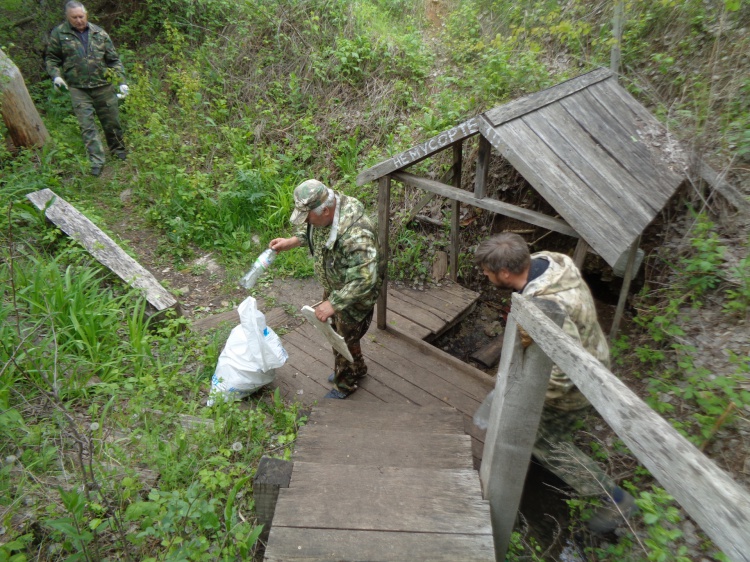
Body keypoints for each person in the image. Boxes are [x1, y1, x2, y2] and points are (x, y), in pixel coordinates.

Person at [474, 232, 636, 533]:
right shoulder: (547, 261)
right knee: (543, 427)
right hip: (595, 355)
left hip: (580, 383)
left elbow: (564, 374)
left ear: (505, 273)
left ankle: (614, 499)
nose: (485, 275)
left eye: (487, 272)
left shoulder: (548, 307)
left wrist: (512, 395)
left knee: (546, 443)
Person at [270, 179, 382, 399]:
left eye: (307, 217)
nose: (306, 221)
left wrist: (334, 303)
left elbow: (366, 278)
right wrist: (292, 241)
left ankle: (345, 385)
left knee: (343, 338)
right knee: (340, 333)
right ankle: (358, 368)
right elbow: (314, 230)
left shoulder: (356, 235)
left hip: (354, 295)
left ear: (325, 211)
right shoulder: (327, 213)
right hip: (336, 287)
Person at [45, 1, 129, 177]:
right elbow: (52, 59)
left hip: (103, 85)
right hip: (78, 88)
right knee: (87, 126)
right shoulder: (60, 34)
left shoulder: (99, 33)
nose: (78, 20)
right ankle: (97, 161)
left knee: (111, 121)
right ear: (68, 17)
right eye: (74, 17)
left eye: (81, 16)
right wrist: (56, 76)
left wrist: (121, 81)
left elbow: (113, 60)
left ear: (86, 15)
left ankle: (118, 150)